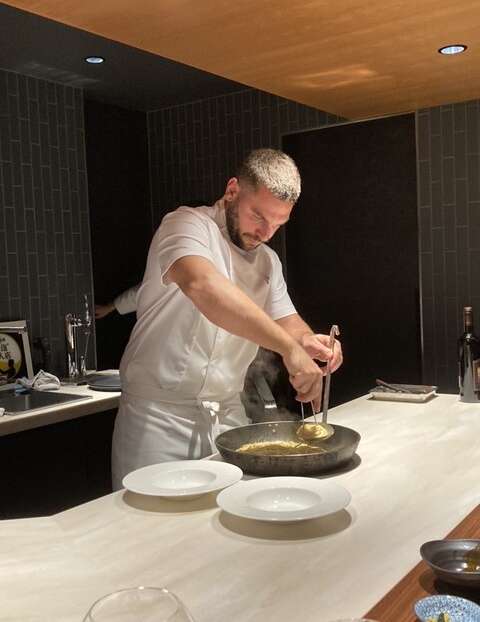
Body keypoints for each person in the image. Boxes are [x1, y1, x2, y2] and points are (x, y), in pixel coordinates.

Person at [111, 148, 343, 489]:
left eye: (278, 224)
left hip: (228, 419)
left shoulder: (267, 261)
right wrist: (288, 350)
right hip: (159, 420)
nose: (266, 233)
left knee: (228, 519)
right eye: (259, 216)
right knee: (150, 519)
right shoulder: (185, 224)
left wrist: (307, 343)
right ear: (232, 190)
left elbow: (287, 320)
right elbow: (204, 287)